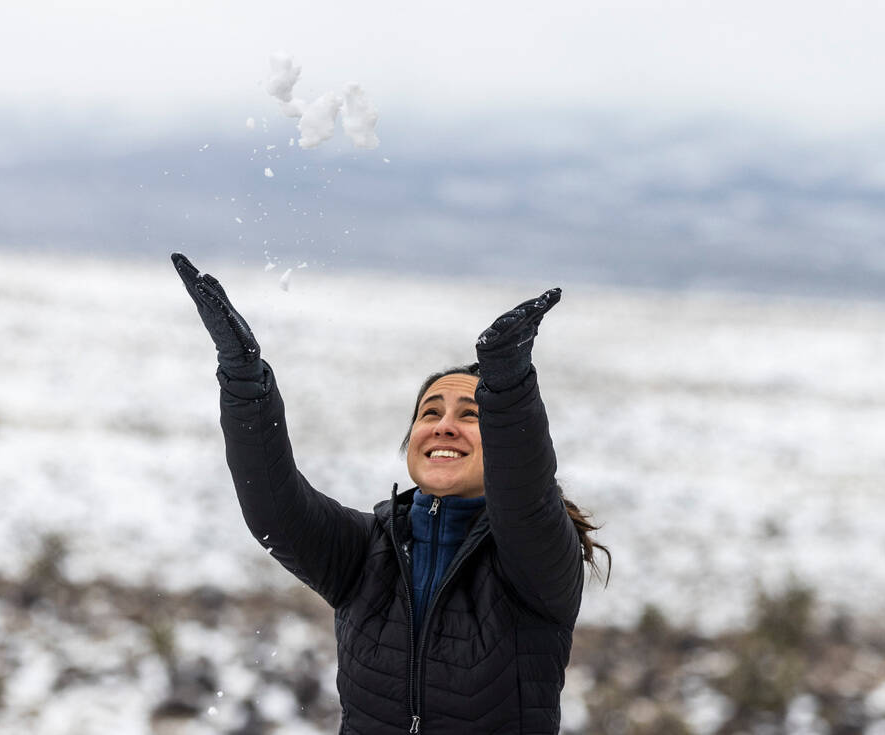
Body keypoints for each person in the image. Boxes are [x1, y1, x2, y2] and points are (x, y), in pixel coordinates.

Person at [172, 253, 609, 734]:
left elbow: (525, 499)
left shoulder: (536, 560)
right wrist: (243, 381)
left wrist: (508, 388)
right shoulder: (367, 548)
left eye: (470, 414)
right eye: (430, 413)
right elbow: (274, 508)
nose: (444, 426)